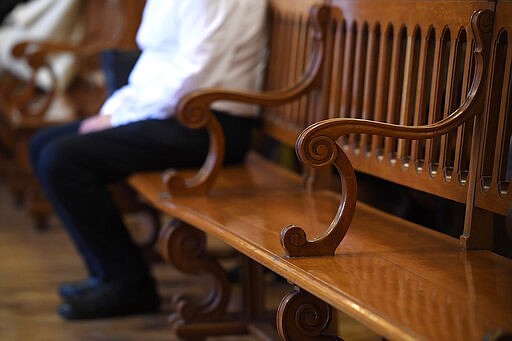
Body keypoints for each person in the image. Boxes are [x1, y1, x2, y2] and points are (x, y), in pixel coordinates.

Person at [28, 0, 267, 320]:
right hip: (175, 113)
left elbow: (196, 74)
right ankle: (108, 274)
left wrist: (120, 118)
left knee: (63, 159)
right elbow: (154, 64)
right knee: (44, 144)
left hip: (210, 124)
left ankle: (128, 284)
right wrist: (114, 112)